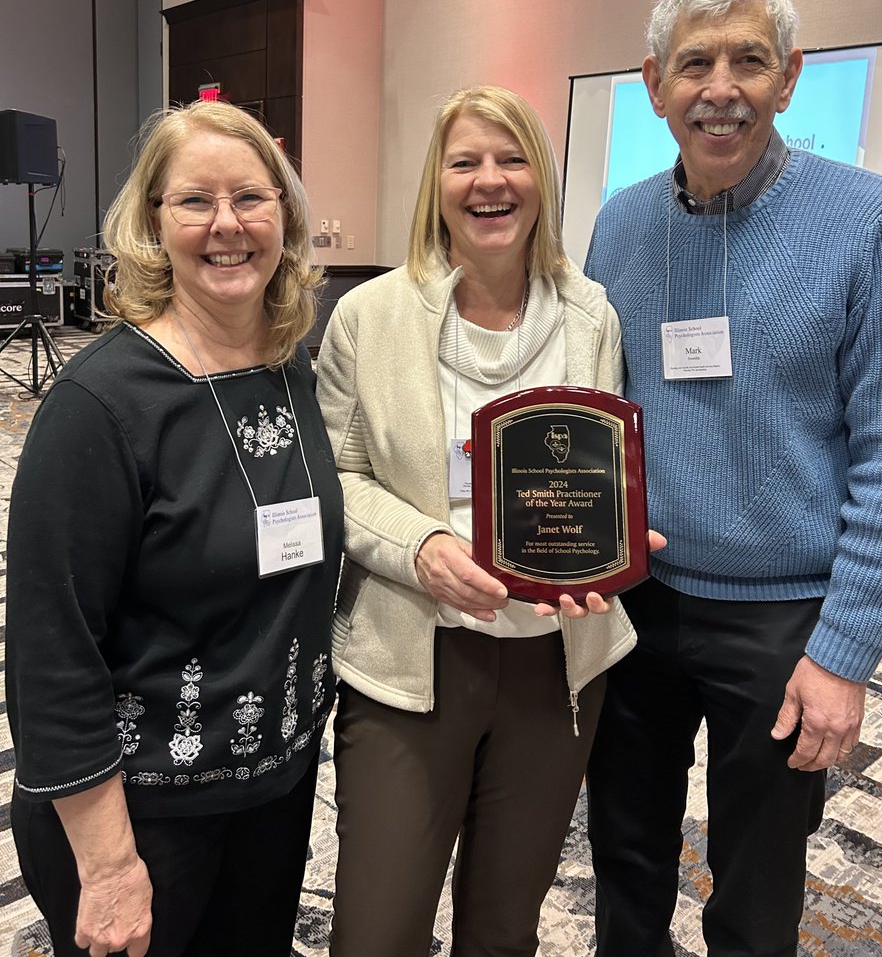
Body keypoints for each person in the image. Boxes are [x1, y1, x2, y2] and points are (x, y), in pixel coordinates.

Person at [584, 0, 882, 957]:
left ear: (791, 77)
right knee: (623, 850)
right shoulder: (620, 224)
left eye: (749, 61)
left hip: (782, 616)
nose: (720, 89)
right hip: (638, 597)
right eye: (696, 63)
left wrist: (845, 652)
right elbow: (593, 412)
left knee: (757, 883)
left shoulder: (868, 219)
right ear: (654, 84)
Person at [315, 85, 662, 957]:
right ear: (437, 182)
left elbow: (596, 476)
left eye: (511, 160)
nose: (489, 181)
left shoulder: (591, 317)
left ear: (541, 180)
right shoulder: (368, 315)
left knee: (505, 930)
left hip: (556, 668)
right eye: (465, 161)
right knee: (377, 933)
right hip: (410, 660)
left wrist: (608, 552)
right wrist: (422, 546)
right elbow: (338, 477)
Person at [6, 100, 343, 957]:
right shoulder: (99, 407)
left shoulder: (287, 363)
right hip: (144, 815)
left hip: (272, 788)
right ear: (154, 222)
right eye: (195, 201)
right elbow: (51, 656)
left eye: (251, 199)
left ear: (285, 216)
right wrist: (111, 866)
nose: (226, 225)